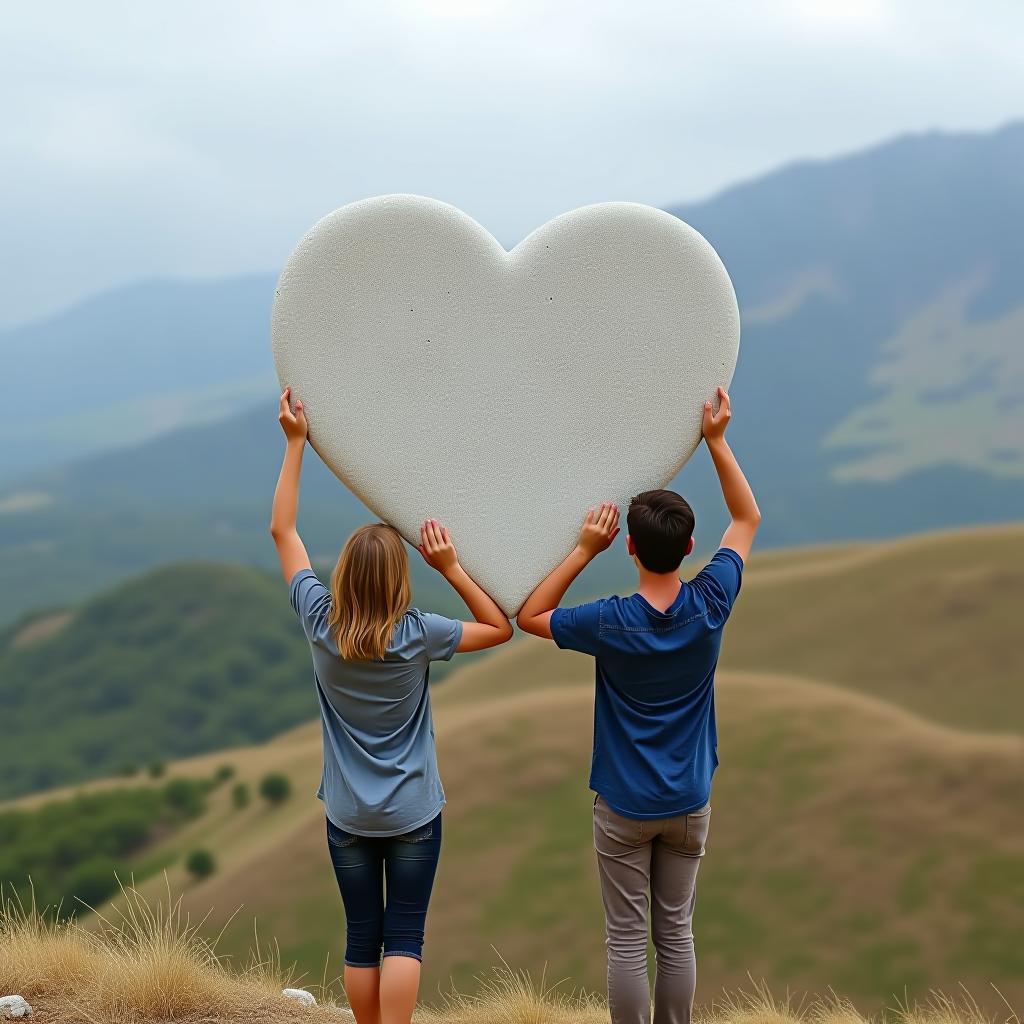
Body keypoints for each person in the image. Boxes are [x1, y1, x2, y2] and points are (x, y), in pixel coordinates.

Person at [269, 387, 513, 1024]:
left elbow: (282, 531)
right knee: (406, 935)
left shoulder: (319, 621)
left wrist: (297, 444)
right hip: (412, 810)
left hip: (348, 812)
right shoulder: (417, 633)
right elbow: (499, 628)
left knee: (361, 938)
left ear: (345, 575)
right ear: (399, 582)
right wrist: (452, 565)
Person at [517, 387, 760, 1024]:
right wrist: (715, 440)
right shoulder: (710, 603)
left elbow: (530, 615)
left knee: (626, 942)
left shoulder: (611, 621)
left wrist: (582, 549)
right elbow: (746, 519)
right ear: (688, 549)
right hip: (688, 802)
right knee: (675, 935)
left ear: (629, 547)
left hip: (623, 805)